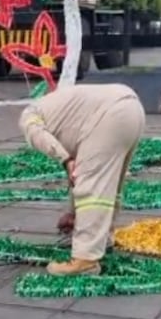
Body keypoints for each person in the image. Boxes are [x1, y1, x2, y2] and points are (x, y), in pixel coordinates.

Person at [19, 83, 146, 277]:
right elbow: (78, 172)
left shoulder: (29, 115)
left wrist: (64, 159)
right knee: (110, 183)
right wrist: (72, 213)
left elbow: (37, 134)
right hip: (133, 109)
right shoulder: (66, 108)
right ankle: (103, 240)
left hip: (110, 115)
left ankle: (85, 260)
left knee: (92, 190)